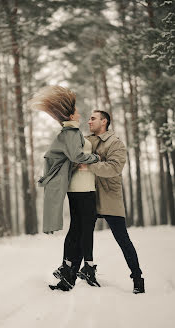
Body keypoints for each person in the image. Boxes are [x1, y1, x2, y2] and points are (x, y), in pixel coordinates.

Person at [29, 86, 101, 291]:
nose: (80, 112)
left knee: (78, 229)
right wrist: (95, 157)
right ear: (70, 115)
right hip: (81, 188)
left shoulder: (72, 131)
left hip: (80, 187)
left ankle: (67, 272)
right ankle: (76, 267)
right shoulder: (71, 131)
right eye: (76, 110)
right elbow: (76, 156)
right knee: (82, 229)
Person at [85, 110, 145, 294]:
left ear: (104, 121)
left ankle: (137, 278)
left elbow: (114, 168)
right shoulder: (86, 142)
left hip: (110, 196)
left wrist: (90, 164)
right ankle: (88, 271)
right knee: (85, 235)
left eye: (93, 118)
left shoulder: (116, 143)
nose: (89, 122)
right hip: (90, 194)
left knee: (122, 239)